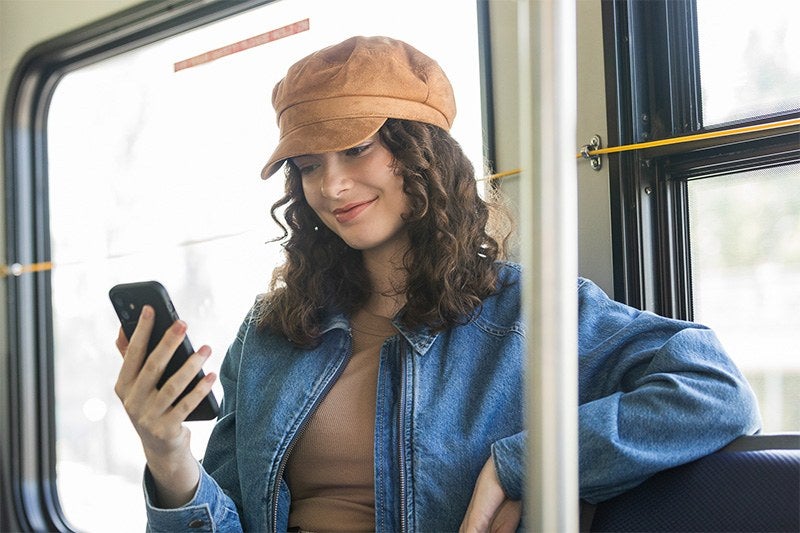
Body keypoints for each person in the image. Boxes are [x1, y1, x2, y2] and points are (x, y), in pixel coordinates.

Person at [114, 36, 761, 532]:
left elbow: (713, 390)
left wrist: (525, 461)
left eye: (357, 149)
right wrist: (167, 451)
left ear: (421, 153)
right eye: (310, 166)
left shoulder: (524, 313)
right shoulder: (270, 335)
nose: (332, 186)